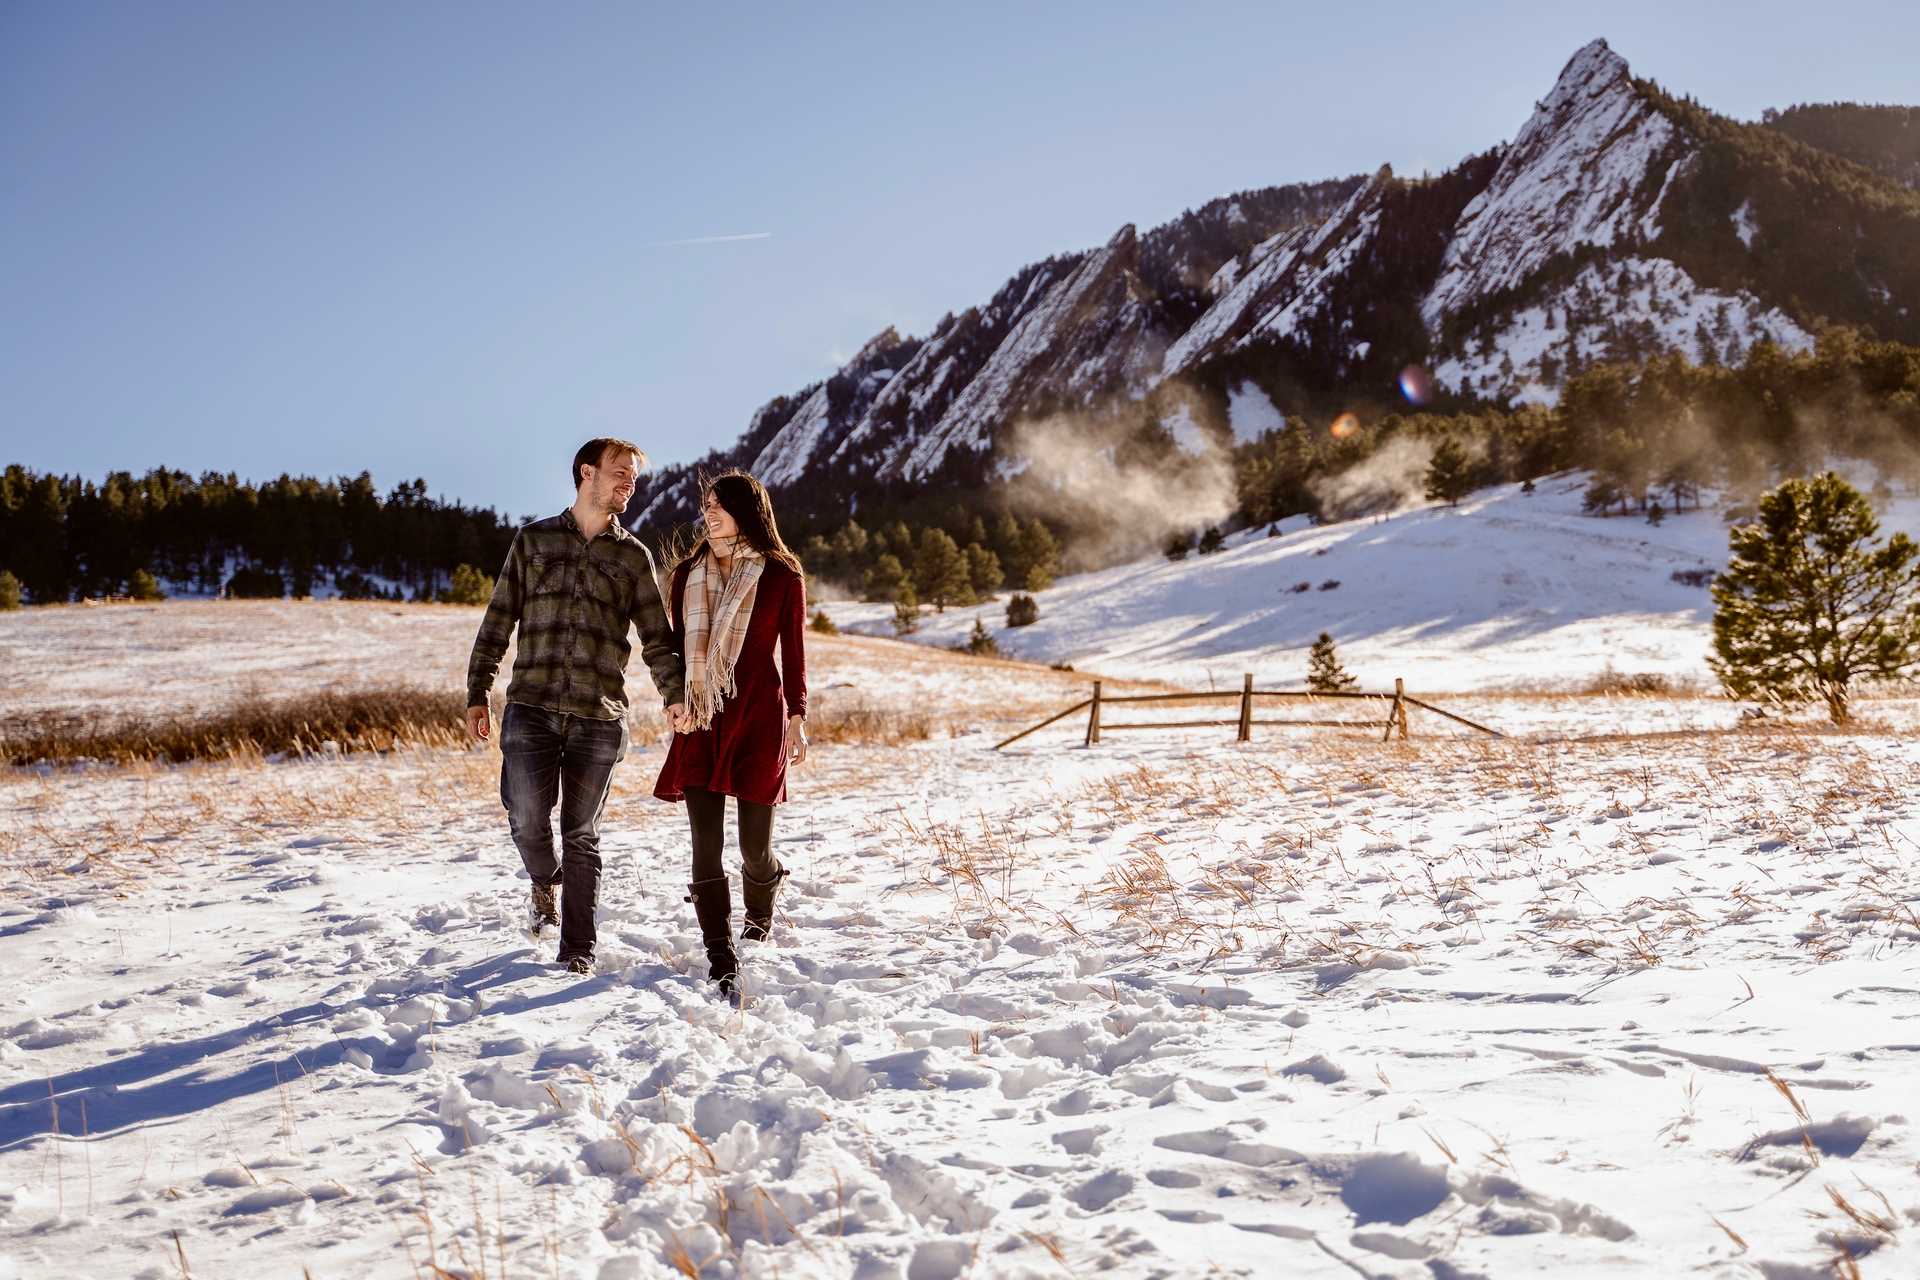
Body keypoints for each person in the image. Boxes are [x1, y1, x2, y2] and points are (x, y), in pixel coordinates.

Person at [465, 438, 687, 975]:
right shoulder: (533, 541)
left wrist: (675, 693)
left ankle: (577, 950)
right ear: (586, 473)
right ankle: (544, 881)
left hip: (599, 715)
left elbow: (657, 637)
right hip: (531, 708)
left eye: (632, 478)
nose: (628, 485)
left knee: (581, 832)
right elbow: (498, 620)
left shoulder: (632, 556)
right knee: (525, 819)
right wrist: (478, 691)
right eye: (619, 474)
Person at [654, 471, 809, 998]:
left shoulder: (782, 576)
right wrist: (675, 700)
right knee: (706, 845)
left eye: (718, 505)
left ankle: (759, 913)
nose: (709, 514)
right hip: (702, 717)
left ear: (747, 510)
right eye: (706, 505)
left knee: (753, 851)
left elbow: (793, 654)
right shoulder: (687, 575)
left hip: (759, 720)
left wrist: (798, 717)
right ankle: (719, 951)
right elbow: (674, 650)